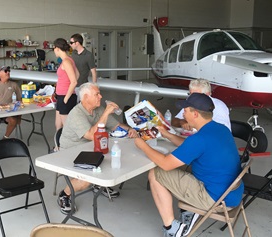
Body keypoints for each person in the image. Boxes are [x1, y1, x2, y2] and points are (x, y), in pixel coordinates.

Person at [134, 93, 243, 237]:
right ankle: (188, 212)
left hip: (216, 200)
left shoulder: (199, 139)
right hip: (232, 193)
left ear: (195, 114)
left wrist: (141, 145)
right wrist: (169, 135)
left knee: (155, 173)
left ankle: (172, 228)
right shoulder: (220, 129)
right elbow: (192, 147)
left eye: (186, 110)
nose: (183, 114)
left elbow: (165, 165)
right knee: (179, 166)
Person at [57, 82, 139, 214]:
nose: (100, 96)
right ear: (85, 98)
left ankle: (98, 185)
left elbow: (116, 126)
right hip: (72, 151)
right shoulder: (76, 113)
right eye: (97, 94)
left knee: (118, 156)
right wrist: (106, 112)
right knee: (85, 180)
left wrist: (132, 130)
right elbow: (91, 135)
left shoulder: (98, 109)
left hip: (92, 149)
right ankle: (64, 194)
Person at [0, 66, 22, 139]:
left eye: (9, 71)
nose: (8, 72)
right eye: (6, 71)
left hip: (9, 112)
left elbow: (20, 100)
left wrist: (19, 116)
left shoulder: (14, 85)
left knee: (13, 120)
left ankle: (5, 137)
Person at [53, 38, 79, 131]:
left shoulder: (66, 62)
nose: (54, 51)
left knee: (67, 128)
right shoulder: (68, 60)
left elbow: (74, 81)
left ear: (57, 48)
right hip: (61, 96)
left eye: (54, 49)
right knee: (58, 124)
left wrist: (66, 98)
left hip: (65, 96)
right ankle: (57, 146)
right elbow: (77, 74)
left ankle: (67, 145)